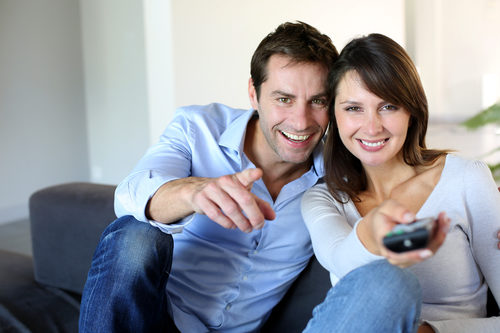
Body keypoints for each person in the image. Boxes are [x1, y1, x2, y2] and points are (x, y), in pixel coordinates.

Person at [79, 22, 427, 333]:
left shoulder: (337, 175)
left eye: (317, 101)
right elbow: (128, 198)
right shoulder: (197, 128)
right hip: (158, 320)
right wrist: (192, 193)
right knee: (135, 235)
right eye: (284, 99)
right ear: (253, 93)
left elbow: (359, 253)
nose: (301, 121)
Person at [301, 33, 500, 332]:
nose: (372, 127)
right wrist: (375, 230)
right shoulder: (323, 198)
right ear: (334, 116)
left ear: (411, 111)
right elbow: (342, 263)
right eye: (353, 108)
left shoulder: (466, 179)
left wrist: (429, 331)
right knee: (386, 280)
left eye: (388, 106)